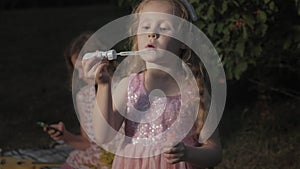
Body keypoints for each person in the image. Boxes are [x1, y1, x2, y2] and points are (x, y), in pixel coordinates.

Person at [82, 0, 222, 168]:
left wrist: (187, 153)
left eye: (163, 28)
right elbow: (103, 135)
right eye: (146, 27)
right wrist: (103, 86)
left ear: (184, 40)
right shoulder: (129, 86)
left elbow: (215, 153)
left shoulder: (195, 93)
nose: (153, 34)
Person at [44, 32, 113, 169]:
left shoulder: (124, 89)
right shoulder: (84, 97)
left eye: (83, 68)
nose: (80, 76)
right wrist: (65, 136)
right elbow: (88, 143)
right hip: (94, 159)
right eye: (76, 70)